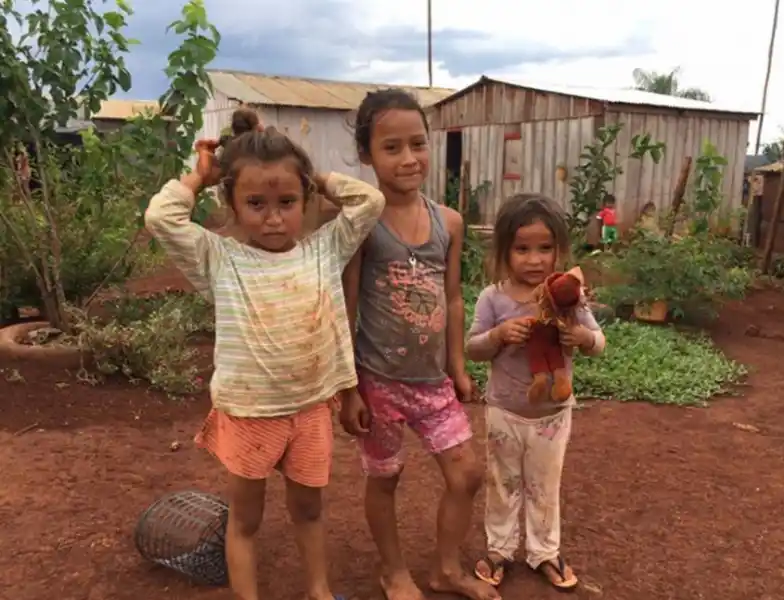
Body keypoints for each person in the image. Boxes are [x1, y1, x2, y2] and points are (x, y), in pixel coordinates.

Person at [143, 107, 385, 600]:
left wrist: (311, 172)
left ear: (305, 199)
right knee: (247, 519)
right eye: (255, 202)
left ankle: (319, 591)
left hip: (311, 409)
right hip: (251, 413)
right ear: (230, 202)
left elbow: (370, 201)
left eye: (288, 200)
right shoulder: (219, 258)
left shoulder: (324, 249)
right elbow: (160, 218)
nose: (274, 217)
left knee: (310, 509)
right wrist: (199, 176)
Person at [337, 89, 499, 600]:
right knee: (385, 478)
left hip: (433, 384)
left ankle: (445, 570)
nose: (409, 159)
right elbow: (347, 305)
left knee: (467, 473)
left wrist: (457, 365)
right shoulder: (362, 224)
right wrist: (347, 388)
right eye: (391, 148)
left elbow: (452, 299)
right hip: (378, 382)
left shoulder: (448, 222)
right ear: (366, 154)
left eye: (418, 144)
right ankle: (393, 571)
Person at [465, 193, 606, 593]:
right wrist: (498, 335)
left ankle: (545, 551)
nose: (534, 259)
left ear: (559, 250)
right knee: (502, 482)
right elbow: (472, 348)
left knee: (545, 486)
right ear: (505, 251)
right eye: (522, 249)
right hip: (503, 411)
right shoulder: (493, 298)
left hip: (552, 414)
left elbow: (599, 341)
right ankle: (500, 550)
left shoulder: (566, 296)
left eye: (545, 248)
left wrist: (579, 336)